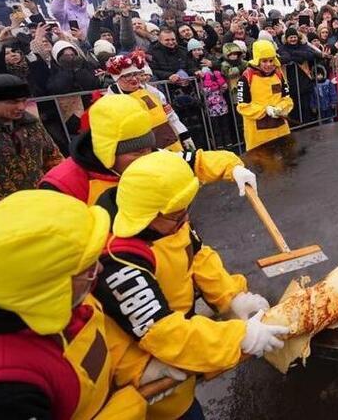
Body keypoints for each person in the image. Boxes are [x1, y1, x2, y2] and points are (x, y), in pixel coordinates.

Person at [93, 151, 289, 418]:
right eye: (177, 216)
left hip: (182, 341)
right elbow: (164, 333)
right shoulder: (117, 261)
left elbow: (197, 257)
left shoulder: (168, 220)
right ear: (147, 215)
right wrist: (239, 338)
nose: (185, 221)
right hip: (143, 367)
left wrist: (230, 299)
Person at [0, 190, 149, 419]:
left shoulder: (66, 300)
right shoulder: (9, 390)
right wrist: (125, 410)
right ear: (46, 285)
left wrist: (139, 371)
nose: (98, 269)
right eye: (86, 266)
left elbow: (102, 343)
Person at [40, 93, 257, 204]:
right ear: (107, 151)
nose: (146, 158)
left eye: (147, 150)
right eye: (136, 152)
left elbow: (194, 161)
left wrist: (233, 167)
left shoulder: (150, 156)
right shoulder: (63, 186)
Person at [104, 52, 190, 151]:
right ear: (117, 79)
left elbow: (171, 116)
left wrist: (184, 135)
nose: (134, 78)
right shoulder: (110, 101)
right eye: (128, 75)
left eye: (136, 74)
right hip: (141, 151)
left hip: (170, 143)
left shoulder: (152, 91)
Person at [0, 74, 62, 202]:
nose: (21, 107)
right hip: (3, 210)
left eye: (24, 100)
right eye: (12, 102)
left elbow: (52, 157)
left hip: (39, 200)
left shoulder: (31, 124)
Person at [236, 40, 294, 151]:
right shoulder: (246, 77)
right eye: (264, 61)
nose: (269, 64)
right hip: (258, 134)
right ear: (258, 61)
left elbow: (287, 98)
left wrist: (280, 108)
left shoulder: (278, 74)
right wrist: (265, 110)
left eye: (271, 60)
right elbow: (242, 106)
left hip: (280, 129)